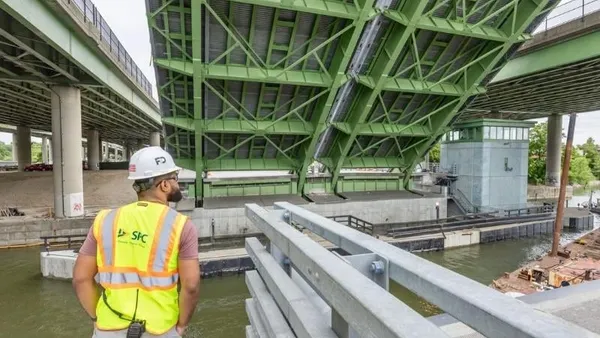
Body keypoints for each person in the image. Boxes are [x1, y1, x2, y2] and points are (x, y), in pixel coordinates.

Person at [73, 146, 200, 338]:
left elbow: (81, 279)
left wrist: (98, 319)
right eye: (175, 178)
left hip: (108, 329)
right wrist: (181, 326)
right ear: (164, 185)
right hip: (160, 330)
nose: (178, 183)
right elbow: (190, 286)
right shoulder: (181, 226)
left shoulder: (105, 220)